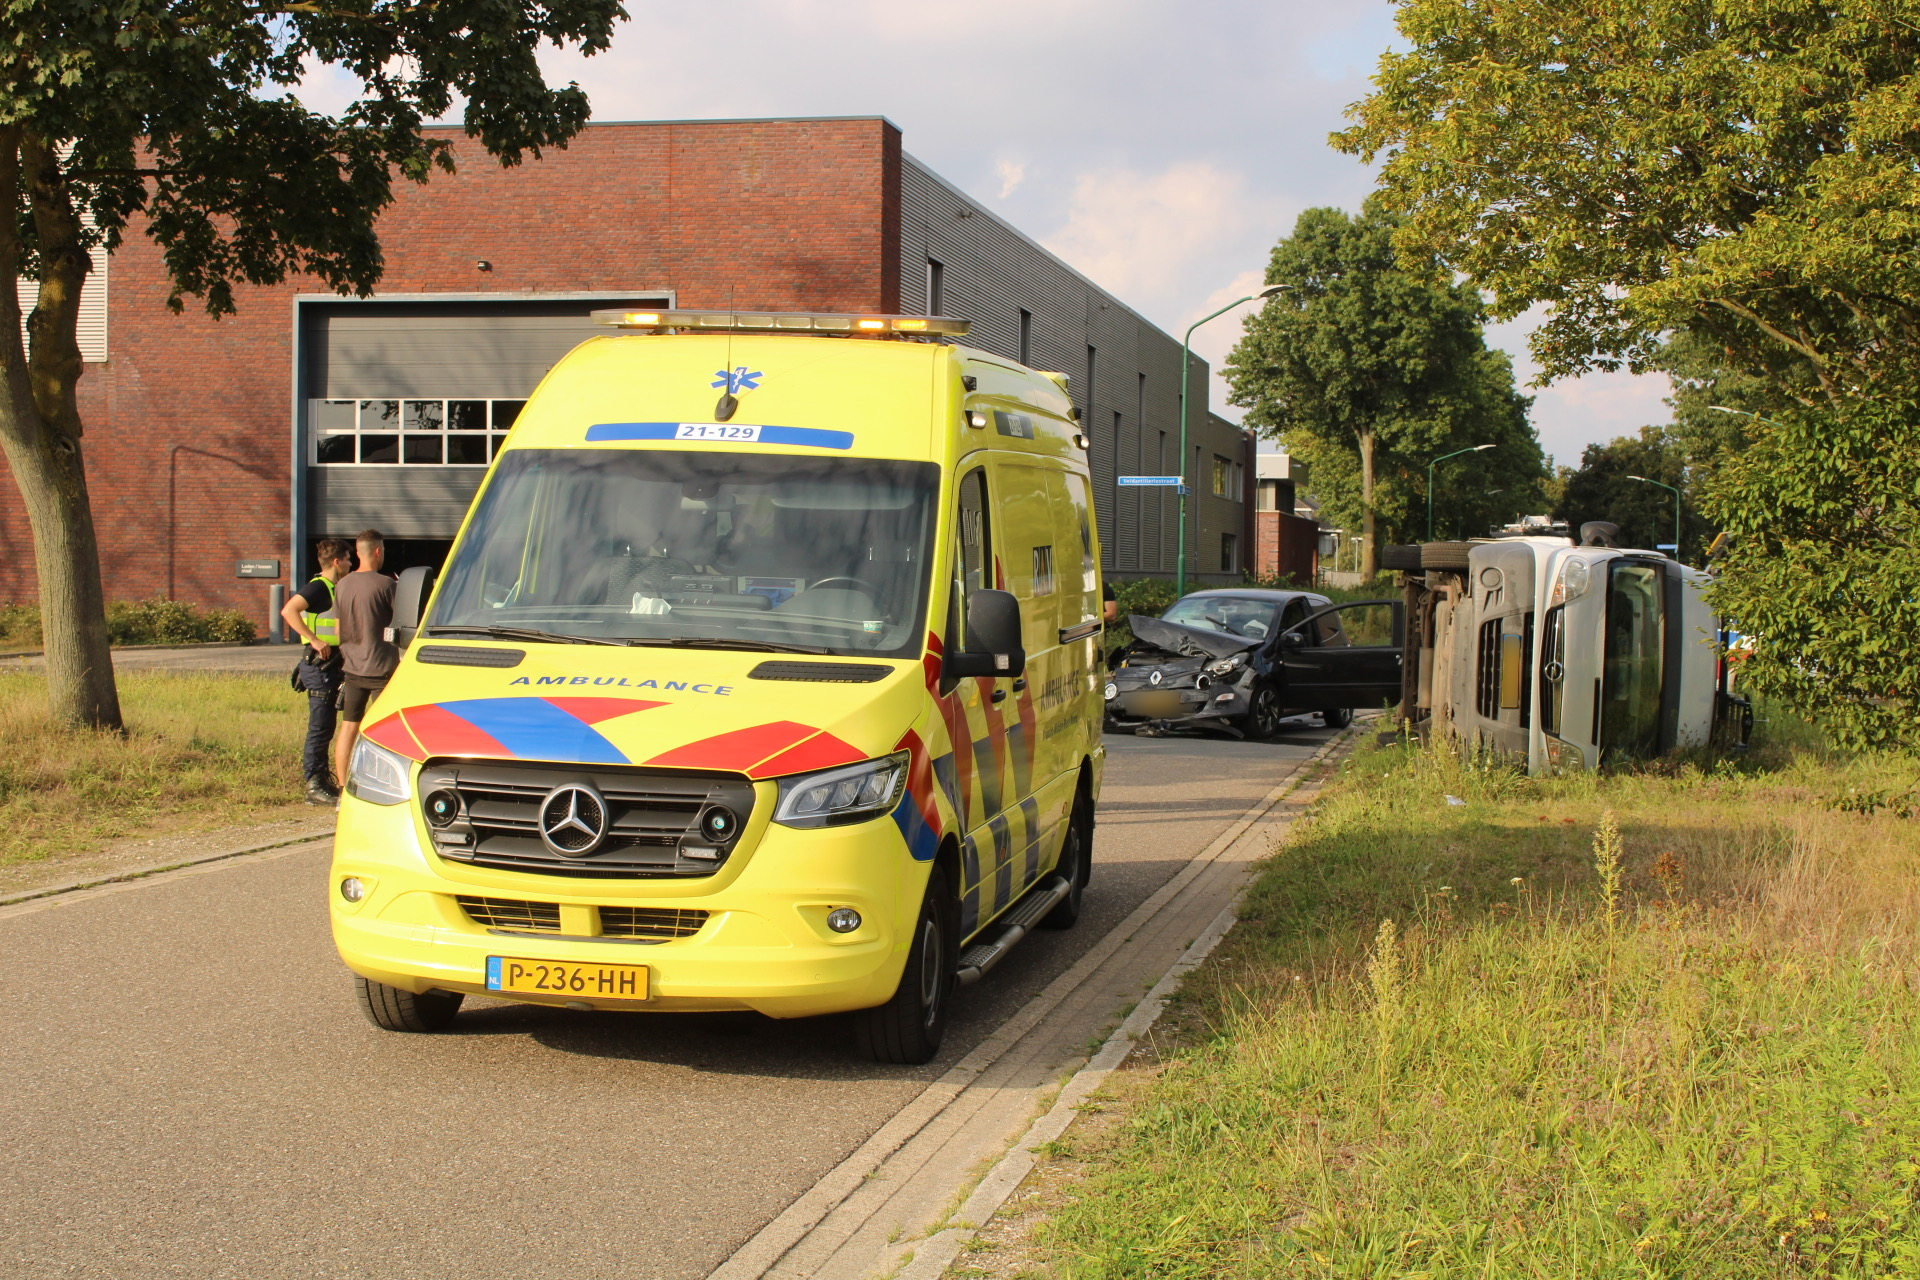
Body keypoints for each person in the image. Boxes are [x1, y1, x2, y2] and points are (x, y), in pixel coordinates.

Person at [281, 538, 354, 805]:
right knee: (320, 728)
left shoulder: (333, 589)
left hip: (331, 664)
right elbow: (289, 610)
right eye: (347, 559)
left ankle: (323, 781)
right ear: (337, 562)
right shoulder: (318, 587)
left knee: (326, 727)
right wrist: (314, 639)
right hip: (318, 665)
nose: (350, 563)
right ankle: (314, 785)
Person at [332, 529, 399, 793]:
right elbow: (404, 626)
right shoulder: (388, 585)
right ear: (377, 551)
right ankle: (381, 785)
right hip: (382, 670)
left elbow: (338, 632)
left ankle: (341, 787)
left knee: (348, 727)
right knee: (383, 730)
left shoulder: (342, 584)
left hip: (351, 668)